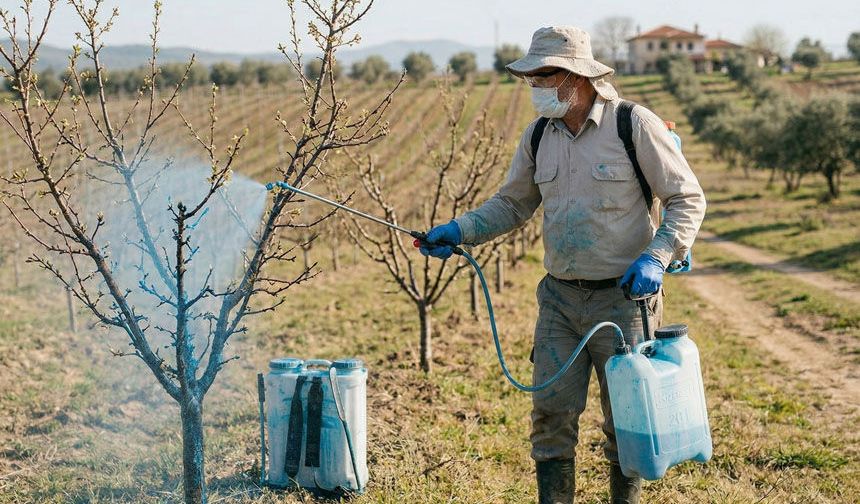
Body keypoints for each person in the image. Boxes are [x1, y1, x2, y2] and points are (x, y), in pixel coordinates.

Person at [418, 26, 706, 504]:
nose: (535, 87)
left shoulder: (631, 125)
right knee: (550, 420)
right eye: (530, 78)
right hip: (559, 301)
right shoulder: (538, 136)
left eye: (543, 76)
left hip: (625, 300)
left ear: (576, 76)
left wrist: (657, 255)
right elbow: (512, 205)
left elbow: (686, 198)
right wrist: (460, 229)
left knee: (628, 423)